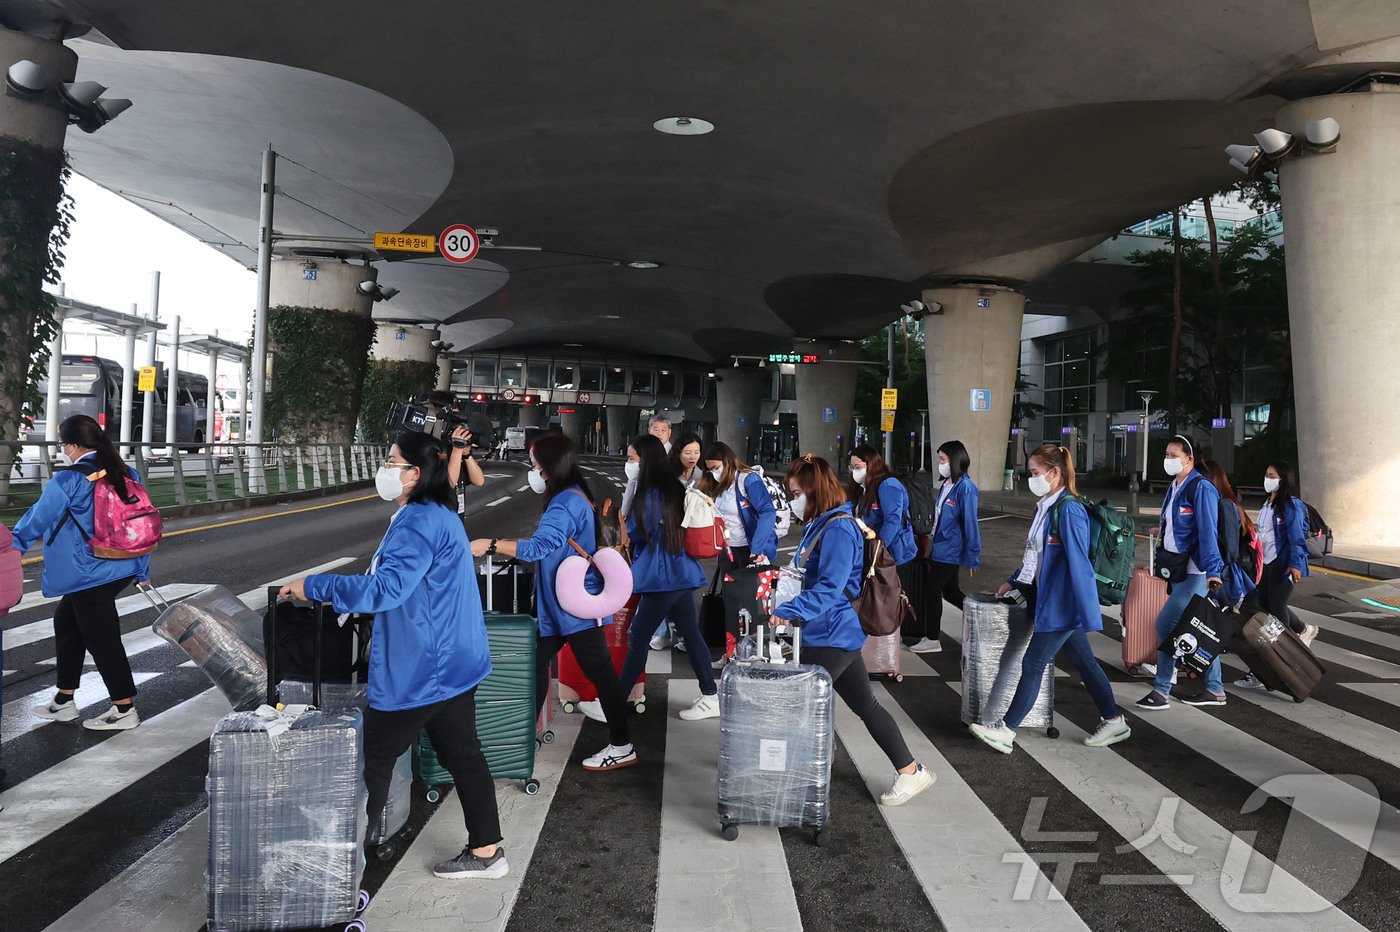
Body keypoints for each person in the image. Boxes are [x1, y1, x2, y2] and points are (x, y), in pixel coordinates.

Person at [280, 430, 506, 879]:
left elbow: (387, 589)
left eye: (391, 461)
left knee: (371, 758)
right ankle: (487, 851)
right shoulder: (439, 513)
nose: (384, 469)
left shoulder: (420, 521)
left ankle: (348, 863)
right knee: (464, 755)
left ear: (414, 473)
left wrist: (316, 585)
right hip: (453, 660)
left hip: (423, 666)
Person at [769, 455, 935, 806]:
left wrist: (789, 610)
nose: (792, 499)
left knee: (800, 705)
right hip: (827, 631)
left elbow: (830, 589)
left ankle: (800, 778)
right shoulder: (821, 523)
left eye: (797, 492)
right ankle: (911, 771)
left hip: (832, 634)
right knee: (866, 705)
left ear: (815, 491)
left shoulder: (840, 528)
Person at [470, 433, 636, 771]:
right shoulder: (574, 496)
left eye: (534, 464)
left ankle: (622, 745)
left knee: (601, 675)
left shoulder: (565, 502)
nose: (532, 471)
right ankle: (522, 738)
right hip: (558, 608)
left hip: (574, 608)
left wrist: (491, 544)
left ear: (548, 467)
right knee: (535, 665)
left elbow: (539, 547)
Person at [969, 444, 1130, 753]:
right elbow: (1036, 555)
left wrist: (1084, 610)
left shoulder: (1069, 509)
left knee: (1033, 663)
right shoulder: (1047, 505)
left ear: (1055, 473)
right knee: (1085, 662)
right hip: (1051, 599)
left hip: (1061, 603)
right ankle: (1113, 719)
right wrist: (1014, 580)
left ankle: (1006, 729)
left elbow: (1079, 562)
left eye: (1035, 473)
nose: (1031, 479)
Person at [14, 414, 152, 731]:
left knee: (101, 638)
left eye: (64, 445)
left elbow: (37, 518)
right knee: (67, 622)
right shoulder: (125, 471)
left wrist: (12, 546)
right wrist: (141, 568)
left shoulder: (69, 479)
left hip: (88, 571)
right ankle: (64, 700)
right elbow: (140, 523)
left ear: (74, 446)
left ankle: (124, 709)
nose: (64, 451)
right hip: (121, 566)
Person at [615, 435, 719, 719]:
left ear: (644, 460)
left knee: (638, 636)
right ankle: (710, 695)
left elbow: (637, 532)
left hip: (663, 574)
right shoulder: (673, 486)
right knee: (690, 632)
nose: (629, 463)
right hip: (680, 570)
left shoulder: (650, 492)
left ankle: (614, 702)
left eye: (632, 458)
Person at [1136, 434, 1228, 711]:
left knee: (1166, 624)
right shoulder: (1174, 486)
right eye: (1166, 455)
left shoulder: (1201, 488)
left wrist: (1213, 570)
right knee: (1195, 629)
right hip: (1177, 569)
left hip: (1196, 572)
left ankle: (1162, 690)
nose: (1168, 460)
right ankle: (1215, 688)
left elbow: (1209, 532)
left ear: (1190, 459)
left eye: (1174, 455)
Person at [1236, 462, 1317, 689]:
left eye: (1271, 475)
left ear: (1283, 479)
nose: (1267, 478)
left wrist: (1296, 565)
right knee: (1265, 605)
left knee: (1276, 611)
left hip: (1283, 566)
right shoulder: (1268, 502)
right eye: (1266, 474)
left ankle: (1277, 666)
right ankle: (1301, 630)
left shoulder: (1290, 505)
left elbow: (1297, 537)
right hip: (1266, 565)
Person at [698, 441, 778, 668]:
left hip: (751, 552)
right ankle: (732, 654)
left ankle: (755, 654)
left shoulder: (747, 479)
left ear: (727, 461)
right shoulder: (717, 483)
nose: (713, 472)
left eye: (715, 467)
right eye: (709, 469)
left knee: (754, 606)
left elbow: (767, 511)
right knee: (732, 604)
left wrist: (758, 548)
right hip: (729, 551)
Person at [910, 440, 981, 654]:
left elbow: (971, 524)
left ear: (955, 460)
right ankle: (981, 617)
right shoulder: (948, 484)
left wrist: (972, 556)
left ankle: (932, 638)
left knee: (933, 590)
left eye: (943, 459)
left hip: (951, 549)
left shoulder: (966, 488)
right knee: (950, 591)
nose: (939, 463)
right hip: (940, 547)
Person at [847, 443, 919, 628]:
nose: (854, 471)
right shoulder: (863, 487)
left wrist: (879, 548)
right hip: (873, 552)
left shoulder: (888, 484)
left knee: (892, 597)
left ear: (871, 465)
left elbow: (893, 520)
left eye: (858, 467)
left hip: (893, 554)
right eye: (852, 467)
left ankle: (893, 633)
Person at [650, 431, 706, 652]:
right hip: (667, 536)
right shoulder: (667, 475)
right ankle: (662, 632)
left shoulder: (703, 477)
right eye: (687, 452)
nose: (692, 456)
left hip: (691, 538)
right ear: (678, 453)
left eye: (696, 452)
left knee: (683, 587)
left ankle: (684, 634)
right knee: (663, 584)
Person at [622, 415, 674, 519]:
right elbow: (632, 483)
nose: (659, 433)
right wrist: (624, 511)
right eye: (656, 429)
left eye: (663, 430)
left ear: (669, 433)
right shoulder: (642, 450)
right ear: (649, 430)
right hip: (640, 509)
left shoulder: (674, 454)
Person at [446, 424, 486, 522]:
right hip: (442, 523)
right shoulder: (441, 458)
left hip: (457, 521)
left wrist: (467, 454)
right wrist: (457, 449)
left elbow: (479, 481)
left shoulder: (460, 458)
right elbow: (449, 483)